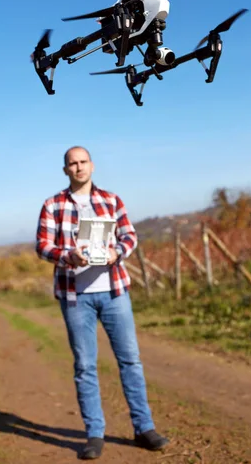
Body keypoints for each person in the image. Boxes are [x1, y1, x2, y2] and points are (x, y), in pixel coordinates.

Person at [36, 146, 169, 460]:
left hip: (114, 293)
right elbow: (42, 245)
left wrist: (116, 252)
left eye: (83, 162)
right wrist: (66, 255)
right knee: (85, 367)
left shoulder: (112, 200)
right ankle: (94, 435)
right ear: (65, 169)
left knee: (131, 361)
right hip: (75, 297)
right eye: (73, 163)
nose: (79, 167)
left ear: (92, 166)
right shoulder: (52, 204)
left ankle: (144, 428)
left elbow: (129, 236)